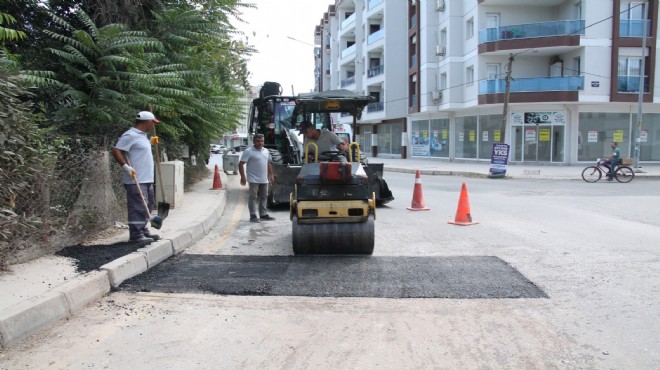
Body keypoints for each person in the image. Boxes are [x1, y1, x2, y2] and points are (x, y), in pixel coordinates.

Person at [111, 111, 161, 243]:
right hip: (135, 179)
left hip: (147, 178)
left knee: (147, 205)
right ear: (147, 122)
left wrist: (150, 142)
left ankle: (143, 230)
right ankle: (136, 234)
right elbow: (116, 150)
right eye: (152, 123)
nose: (153, 126)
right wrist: (125, 167)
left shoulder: (142, 136)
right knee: (138, 206)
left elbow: (138, 151)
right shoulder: (130, 135)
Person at [238, 134, 275, 223]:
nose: (260, 143)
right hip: (253, 179)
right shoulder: (248, 151)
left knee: (264, 196)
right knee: (253, 196)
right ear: (254, 141)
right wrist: (243, 177)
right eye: (258, 141)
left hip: (264, 179)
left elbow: (268, 163)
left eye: (262, 141)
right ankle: (253, 215)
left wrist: (271, 175)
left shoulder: (266, 151)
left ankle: (263, 214)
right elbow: (241, 164)